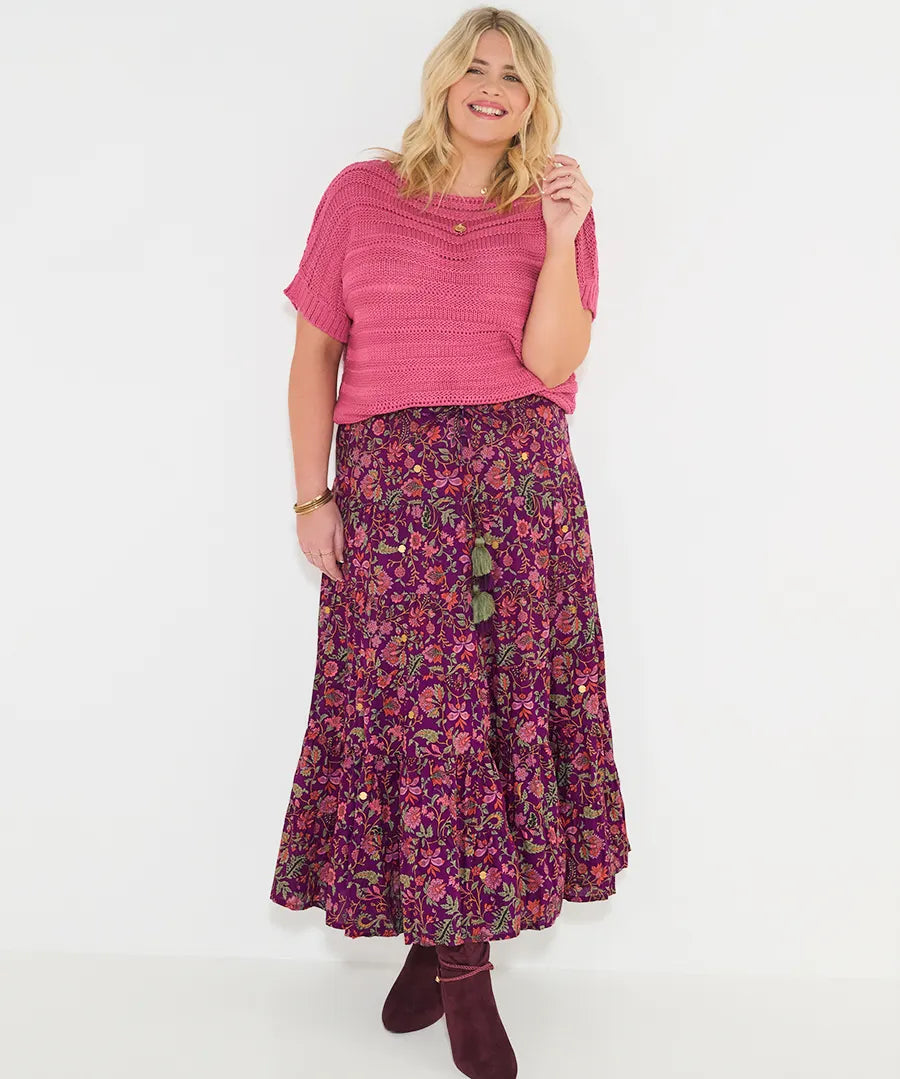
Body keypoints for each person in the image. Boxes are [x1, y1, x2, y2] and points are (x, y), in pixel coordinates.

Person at [270, 8, 630, 1077]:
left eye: (512, 78)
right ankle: (464, 973)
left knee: (500, 710)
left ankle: (447, 944)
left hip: (518, 486)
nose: (490, 89)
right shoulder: (361, 194)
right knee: (421, 719)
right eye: (474, 68)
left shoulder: (555, 202)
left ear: (534, 99)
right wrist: (310, 499)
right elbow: (313, 359)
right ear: (443, 80)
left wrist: (563, 240)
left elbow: (554, 356)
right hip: (391, 489)